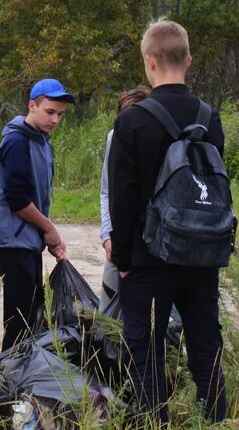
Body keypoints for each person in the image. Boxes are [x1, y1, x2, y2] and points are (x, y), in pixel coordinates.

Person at [109, 18, 228, 423]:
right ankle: (215, 422)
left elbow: (123, 200)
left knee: (146, 355)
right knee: (206, 353)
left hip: (148, 259)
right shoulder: (210, 118)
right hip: (201, 255)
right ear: (188, 60)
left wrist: (122, 260)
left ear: (149, 61)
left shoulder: (131, 122)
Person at [0, 78, 72, 352]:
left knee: (34, 316)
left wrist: (47, 234)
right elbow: (18, 200)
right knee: (19, 322)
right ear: (31, 106)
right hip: (11, 244)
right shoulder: (16, 141)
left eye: (60, 114)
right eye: (50, 112)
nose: (55, 119)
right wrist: (50, 229)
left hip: (27, 243)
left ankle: (23, 381)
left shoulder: (43, 142)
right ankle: (5, 384)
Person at [99, 86, 150, 310]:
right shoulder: (115, 137)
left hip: (150, 246)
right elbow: (107, 191)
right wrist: (107, 236)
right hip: (119, 242)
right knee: (106, 314)